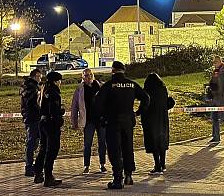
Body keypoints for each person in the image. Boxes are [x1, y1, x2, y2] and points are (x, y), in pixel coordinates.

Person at [98, 61, 150, 189]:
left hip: (113, 121)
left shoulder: (109, 85)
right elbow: (146, 98)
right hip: (128, 122)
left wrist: (102, 117)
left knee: (115, 149)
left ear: (113, 71)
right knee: (127, 147)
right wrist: (138, 112)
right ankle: (128, 175)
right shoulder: (131, 84)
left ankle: (117, 179)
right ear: (124, 70)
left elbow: (98, 103)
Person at [71, 68, 107, 174]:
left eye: (90, 74)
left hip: (100, 120)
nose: (89, 77)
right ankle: (86, 165)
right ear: (82, 77)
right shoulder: (80, 89)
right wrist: (74, 122)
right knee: (87, 143)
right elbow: (74, 107)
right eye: (86, 75)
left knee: (102, 143)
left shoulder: (100, 86)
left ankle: (102, 164)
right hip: (88, 120)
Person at [33, 71, 64, 187]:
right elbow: (54, 110)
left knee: (43, 148)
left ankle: (38, 173)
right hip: (51, 124)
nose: (60, 83)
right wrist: (59, 117)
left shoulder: (44, 89)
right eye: (59, 81)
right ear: (56, 81)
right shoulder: (54, 92)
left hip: (43, 122)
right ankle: (48, 176)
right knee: (52, 150)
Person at [141, 73, 176, 174]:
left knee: (154, 143)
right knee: (162, 143)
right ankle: (163, 164)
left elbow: (144, 105)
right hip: (162, 119)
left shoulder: (147, 91)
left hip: (150, 120)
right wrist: (165, 108)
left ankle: (157, 165)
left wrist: (139, 113)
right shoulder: (163, 89)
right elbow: (171, 101)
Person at [19, 69, 43, 177]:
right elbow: (31, 103)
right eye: (39, 77)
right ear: (34, 76)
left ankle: (31, 164)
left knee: (35, 141)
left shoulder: (31, 86)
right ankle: (29, 167)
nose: (40, 79)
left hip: (33, 117)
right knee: (31, 142)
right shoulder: (30, 87)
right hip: (32, 118)